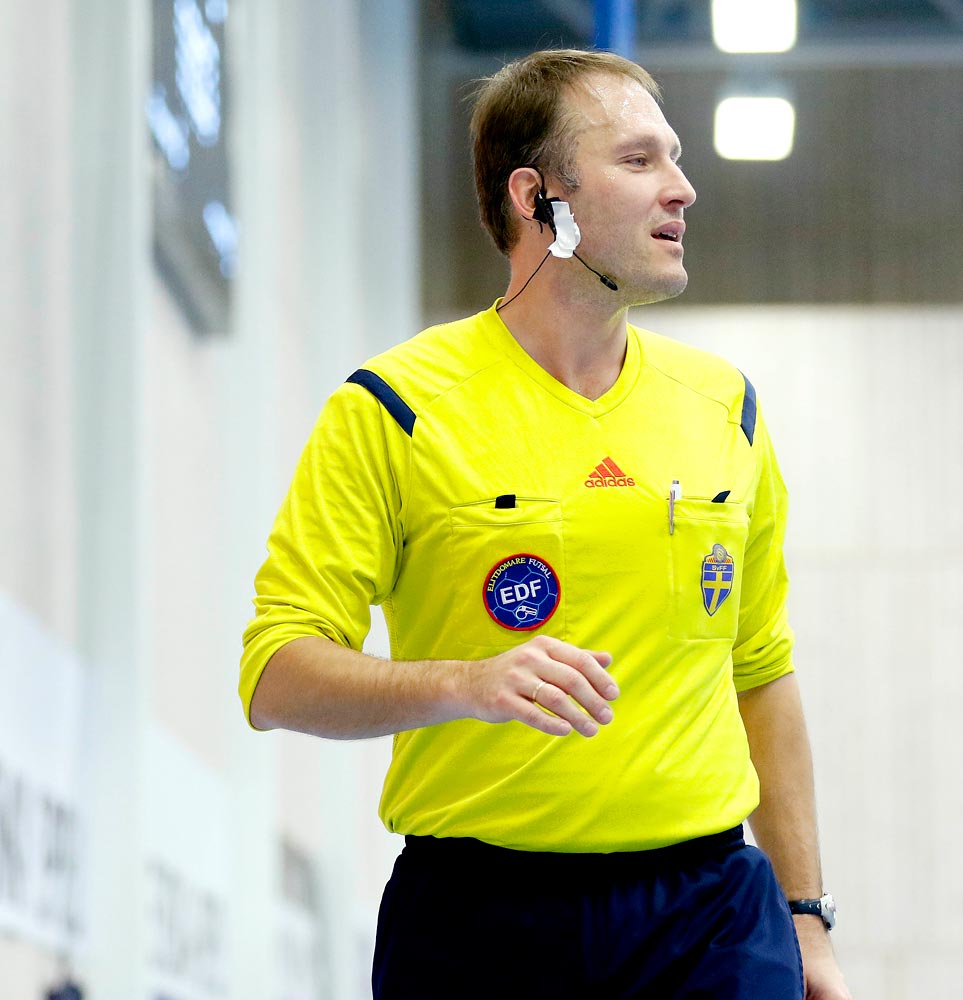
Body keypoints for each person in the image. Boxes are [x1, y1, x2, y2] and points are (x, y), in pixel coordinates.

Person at [238, 48, 851, 1000]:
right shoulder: (395, 408)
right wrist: (465, 683)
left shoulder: (724, 406)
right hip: (477, 919)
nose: (682, 189)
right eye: (639, 161)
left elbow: (761, 673)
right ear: (538, 198)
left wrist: (806, 920)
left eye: (677, 158)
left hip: (711, 920)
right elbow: (276, 674)